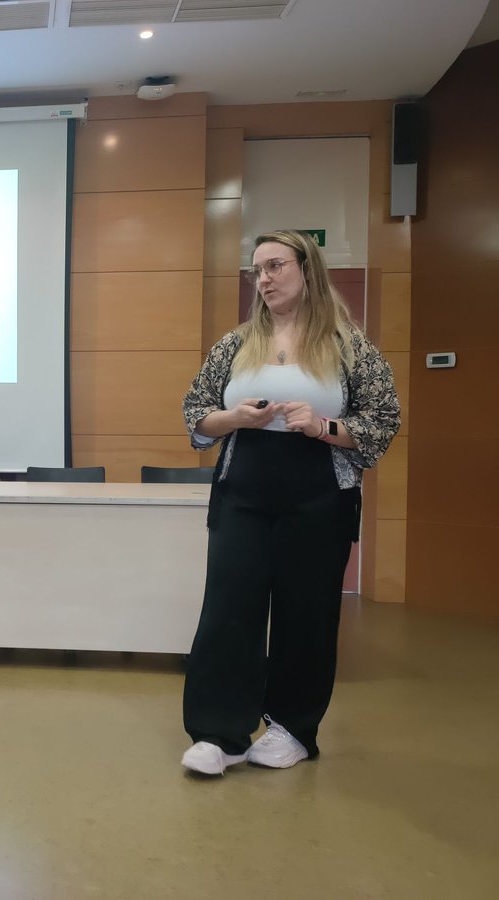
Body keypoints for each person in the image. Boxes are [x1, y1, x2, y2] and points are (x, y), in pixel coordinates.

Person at [179, 229, 400, 776]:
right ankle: (219, 733)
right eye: (258, 270)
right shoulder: (235, 343)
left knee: (307, 613)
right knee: (229, 610)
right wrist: (236, 418)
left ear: (308, 269)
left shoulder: (350, 346)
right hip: (242, 495)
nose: (265, 279)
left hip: (318, 499)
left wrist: (325, 426)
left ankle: (292, 728)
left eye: (276, 266)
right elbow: (195, 412)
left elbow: (384, 419)